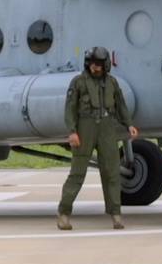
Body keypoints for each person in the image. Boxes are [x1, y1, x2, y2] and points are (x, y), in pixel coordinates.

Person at [58, 46, 138, 231]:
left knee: (112, 172)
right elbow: (70, 109)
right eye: (92, 64)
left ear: (105, 65)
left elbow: (121, 106)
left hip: (107, 127)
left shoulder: (112, 83)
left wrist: (129, 125)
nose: (95, 67)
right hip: (85, 127)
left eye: (98, 64)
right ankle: (63, 213)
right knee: (77, 173)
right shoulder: (78, 82)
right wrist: (72, 131)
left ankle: (115, 213)